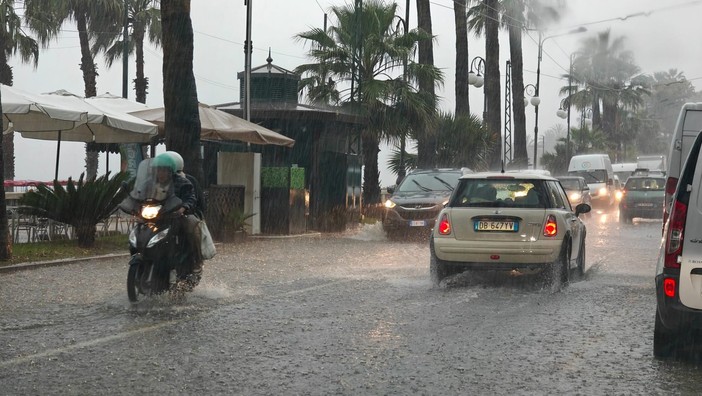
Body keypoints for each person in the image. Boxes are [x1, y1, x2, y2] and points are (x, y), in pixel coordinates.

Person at [151, 153, 201, 285]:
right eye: (158, 169)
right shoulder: (151, 182)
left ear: (170, 170)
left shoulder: (184, 182)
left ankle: (195, 259)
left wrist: (183, 208)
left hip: (177, 216)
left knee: (191, 226)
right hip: (157, 217)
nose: (160, 173)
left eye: (163, 169)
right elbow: (140, 194)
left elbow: (191, 198)